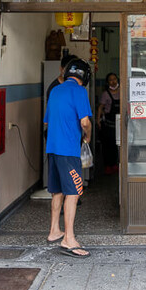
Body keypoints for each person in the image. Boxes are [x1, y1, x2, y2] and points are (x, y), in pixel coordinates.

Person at [44, 58, 92, 258]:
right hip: (68, 151)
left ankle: (54, 230)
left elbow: (46, 122)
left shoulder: (56, 90)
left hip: (52, 149)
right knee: (73, 193)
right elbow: (84, 121)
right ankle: (68, 239)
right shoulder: (79, 92)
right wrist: (88, 136)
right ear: (84, 76)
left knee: (57, 191)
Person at [97, 73, 120, 175]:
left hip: (119, 124)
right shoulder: (105, 94)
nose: (113, 81)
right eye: (110, 80)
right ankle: (108, 166)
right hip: (109, 124)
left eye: (114, 79)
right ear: (107, 82)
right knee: (108, 146)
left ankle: (116, 165)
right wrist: (98, 120)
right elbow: (100, 107)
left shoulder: (121, 91)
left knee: (117, 146)